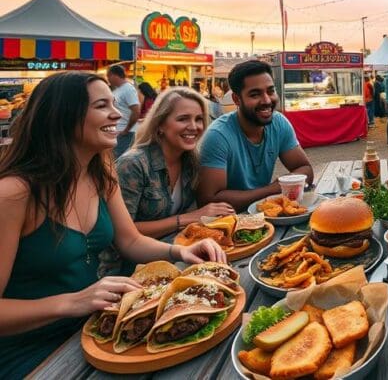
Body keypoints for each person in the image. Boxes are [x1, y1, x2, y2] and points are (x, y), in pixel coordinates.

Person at [0, 72, 225, 377]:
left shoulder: (100, 169)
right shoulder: (14, 193)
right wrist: (71, 302)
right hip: (32, 350)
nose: (118, 113)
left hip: (95, 330)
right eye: (102, 105)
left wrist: (180, 252)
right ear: (64, 115)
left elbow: (129, 241)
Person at [116, 88, 234, 239]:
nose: (193, 126)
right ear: (160, 125)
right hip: (131, 261)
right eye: (183, 119)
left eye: (198, 119)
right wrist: (187, 218)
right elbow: (122, 232)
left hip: (177, 250)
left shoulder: (192, 162)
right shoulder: (133, 164)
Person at [197, 60, 313, 212]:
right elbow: (209, 200)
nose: (266, 100)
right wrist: (272, 190)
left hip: (265, 215)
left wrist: (277, 188)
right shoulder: (218, 136)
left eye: (270, 91)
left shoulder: (279, 123)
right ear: (237, 99)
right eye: (255, 94)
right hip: (227, 222)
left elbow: (305, 169)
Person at [107, 64, 140, 158]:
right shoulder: (118, 90)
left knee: (119, 160)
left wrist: (126, 130)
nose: (108, 79)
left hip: (125, 133)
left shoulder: (128, 89)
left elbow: (136, 110)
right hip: (118, 131)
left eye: (108, 76)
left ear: (114, 75)